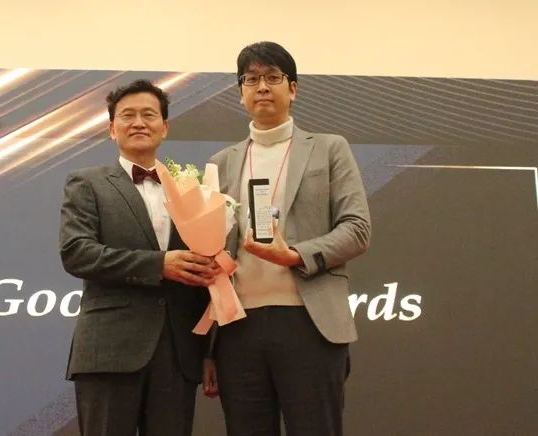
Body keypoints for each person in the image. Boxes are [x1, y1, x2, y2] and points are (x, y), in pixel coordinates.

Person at [204, 41, 371, 436]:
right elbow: (211, 252)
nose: (262, 87)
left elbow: (357, 229)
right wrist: (209, 347)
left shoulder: (329, 149)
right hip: (237, 328)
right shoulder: (220, 162)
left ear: (292, 88)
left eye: (273, 77)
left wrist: (294, 254)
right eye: (251, 79)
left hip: (308, 323)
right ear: (240, 93)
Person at [59, 79, 217, 436]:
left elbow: (206, 274)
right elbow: (77, 252)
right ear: (111, 129)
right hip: (109, 351)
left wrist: (209, 350)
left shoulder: (191, 189)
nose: (139, 123)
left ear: (165, 127)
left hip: (178, 353)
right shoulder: (87, 182)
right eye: (127, 115)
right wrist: (159, 265)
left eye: (149, 114)